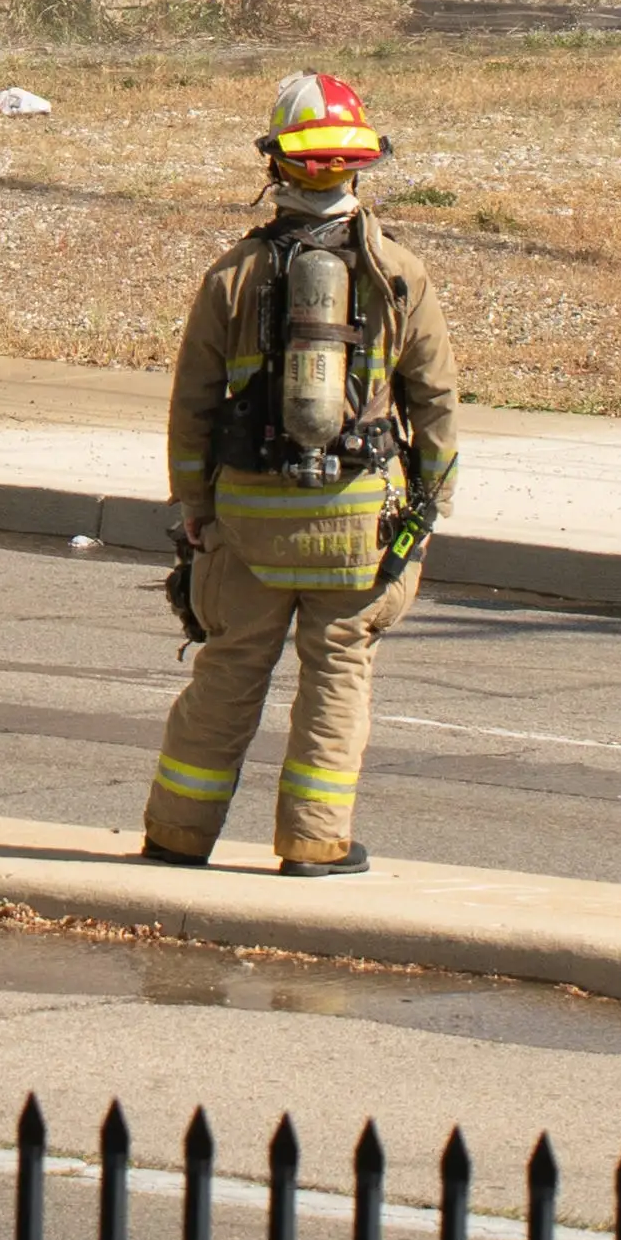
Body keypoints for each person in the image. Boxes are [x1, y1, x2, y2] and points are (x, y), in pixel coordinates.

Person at [143, 76, 467, 874]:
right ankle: (314, 843)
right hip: (357, 525)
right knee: (339, 669)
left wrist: (194, 506)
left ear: (276, 164)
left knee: (228, 670)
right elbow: (435, 402)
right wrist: (431, 508)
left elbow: (192, 407)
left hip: (247, 524)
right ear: (357, 167)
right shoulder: (398, 274)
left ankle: (179, 835)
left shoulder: (232, 276)